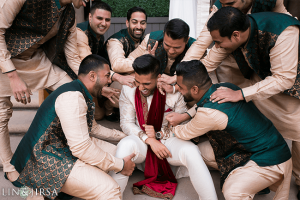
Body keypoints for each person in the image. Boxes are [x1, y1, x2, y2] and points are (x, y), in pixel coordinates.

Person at [200, 6, 300, 199]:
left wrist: (241, 94)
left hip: (293, 82)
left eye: (219, 42)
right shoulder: (233, 29)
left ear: (236, 35)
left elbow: (284, 79)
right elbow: (210, 61)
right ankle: (258, 176)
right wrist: (179, 76)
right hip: (265, 79)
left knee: (298, 130)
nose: (217, 46)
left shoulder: (284, 33)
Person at [7, 55, 135, 200]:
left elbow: (93, 129)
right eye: (107, 76)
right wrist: (120, 165)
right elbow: (81, 147)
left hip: (62, 147)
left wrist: (126, 137)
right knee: (110, 190)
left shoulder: (79, 91)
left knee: (119, 152)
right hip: (43, 160)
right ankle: (37, 191)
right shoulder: (73, 98)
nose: (110, 80)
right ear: (92, 76)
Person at [174, 60, 292, 199]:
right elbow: (201, 103)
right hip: (251, 147)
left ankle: (245, 182)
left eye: (180, 87)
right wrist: (184, 115)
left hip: (271, 159)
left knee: (232, 192)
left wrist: (167, 127)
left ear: (194, 89)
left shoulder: (208, 114)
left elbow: (183, 133)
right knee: (199, 153)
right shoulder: (225, 88)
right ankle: (246, 177)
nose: (178, 89)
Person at [0, 0, 86, 184]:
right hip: (3, 58)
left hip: (34, 60)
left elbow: (73, 58)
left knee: (72, 92)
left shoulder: (68, 13)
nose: (88, 3)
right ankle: (9, 167)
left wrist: (96, 81)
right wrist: (13, 77)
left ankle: (79, 149)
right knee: (1, 113)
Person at [110, 54, 218, 200]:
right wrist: (149, 139)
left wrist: (159, 135)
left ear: (159, 77)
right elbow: (126, 123)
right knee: (124, 145)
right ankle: (111, 197)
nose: (141, 88)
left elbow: (182, 125)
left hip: (168, 141)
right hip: (141, 141)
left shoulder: (173, 92)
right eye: (138, 82)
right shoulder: (129, 89)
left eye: (147, 84)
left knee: (192, 151)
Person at [76, 1, 136, 121]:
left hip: (93, 76)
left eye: (107, 20)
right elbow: (89, 63)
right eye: (99, 18)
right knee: (98, 115)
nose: (104, 23)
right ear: (90, 17)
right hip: (71, 76)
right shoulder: (80, 32)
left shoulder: (99, 35)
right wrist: (118, 77)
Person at [106, 6, 147, 73]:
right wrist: (145, 61)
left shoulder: (145, 39)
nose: (139, 27)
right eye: (134, 22)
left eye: (142, 23)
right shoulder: (115, 40)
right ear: (127, 23)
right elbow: (117, 66)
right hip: (111, 79)